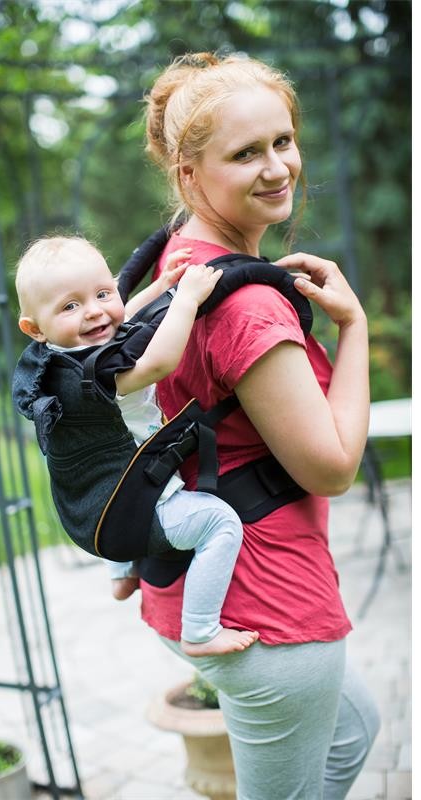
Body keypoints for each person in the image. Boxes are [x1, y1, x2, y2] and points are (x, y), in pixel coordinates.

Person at [137, 51, 380, 798]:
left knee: (354, 730)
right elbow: (332, 466)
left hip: (196, 584)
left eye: (283, 141)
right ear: (189, 173)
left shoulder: (178, 261)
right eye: (246, 153)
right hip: (268, 612)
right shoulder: (248, 304)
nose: (278, 168)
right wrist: (355, 327)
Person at [14, 234, 260, 657]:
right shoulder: (95, 376)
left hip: (88, 508)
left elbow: (122, 320)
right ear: (34, 328)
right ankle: (200, 631)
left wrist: (160, 285)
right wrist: (185, 300)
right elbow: (157, 363)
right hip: (128, 510)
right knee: (220, 523)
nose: (94, 311)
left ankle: (122, 574)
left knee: (106, 473)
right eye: (70, 306)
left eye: (102, 293)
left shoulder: (54, 361)